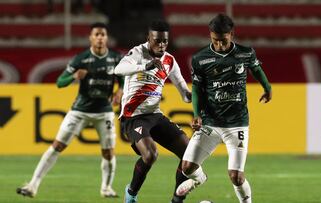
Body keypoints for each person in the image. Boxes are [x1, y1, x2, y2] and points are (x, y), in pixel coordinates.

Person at [16, 22, 123, 198]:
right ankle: (32, 186)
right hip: (80, 110)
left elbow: (124, 78)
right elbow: (60, 82)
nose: (100, 38)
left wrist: (120, 91)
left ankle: (106, 188)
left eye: (103, 34)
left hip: (104, 111)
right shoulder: (80, 59)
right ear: (91, 37)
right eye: (96, 34)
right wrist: (74, 76)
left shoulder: (115, 58)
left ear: (107, 37)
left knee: (109, 151)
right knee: (57, 145)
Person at [175, 13, 272, 203]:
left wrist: (267, 88)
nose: (219, 44)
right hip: (211, 122)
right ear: (210, 36)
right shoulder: (201, 58)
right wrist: (196, 114)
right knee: (187, 167)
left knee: (236, 176)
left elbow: (257, 69)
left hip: (237, 124)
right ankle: (199, 180)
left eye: (223, 40)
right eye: (215, 40)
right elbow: (196, 89)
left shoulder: (245, 53)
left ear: (232, 35)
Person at [114, 20, 192, 203]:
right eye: (157, 40)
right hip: (133, 116)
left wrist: (193, 96)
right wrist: (144, 66)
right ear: (148, 38)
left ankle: (177, 200)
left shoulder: (169, 60)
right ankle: (131, 194)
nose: (162, 45)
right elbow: (119, 69)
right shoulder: (137, 53)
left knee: (190, 154)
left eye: (165, 41)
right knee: (150, 154)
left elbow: (183, 91)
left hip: (155, 115)